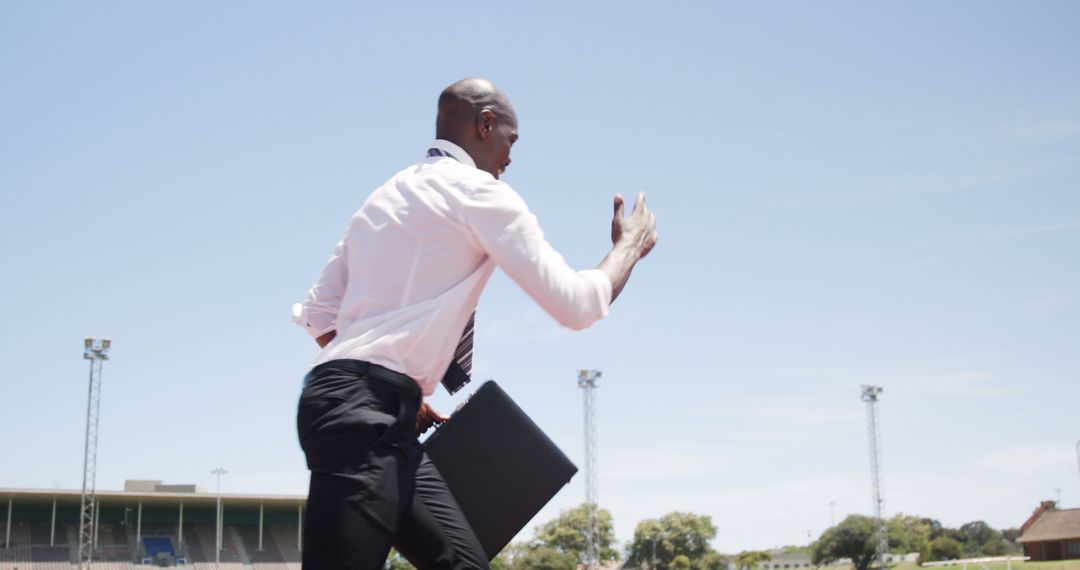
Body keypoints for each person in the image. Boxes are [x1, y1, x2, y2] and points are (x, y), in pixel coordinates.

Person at [291, 77, 657, 569]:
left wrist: (394, 379)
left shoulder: (385, 196)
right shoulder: (482, 193)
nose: (510, 156)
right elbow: (577, 304)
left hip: (370, 408)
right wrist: (628, 248)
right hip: (363, 418)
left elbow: (319, 312)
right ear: (486, 124)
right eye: (511, 139)